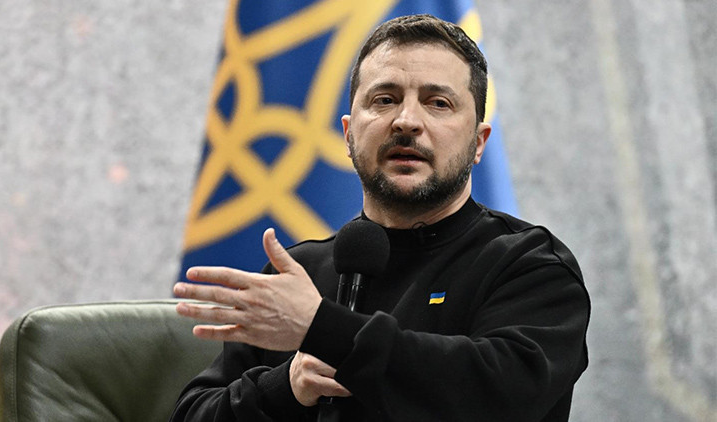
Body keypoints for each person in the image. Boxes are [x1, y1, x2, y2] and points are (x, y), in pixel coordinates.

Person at [170, 14, 590, 422]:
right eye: (384, 100)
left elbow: (498, 396)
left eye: (438, 103)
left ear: (478, 142)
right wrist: (286, 387)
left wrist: (324, 330)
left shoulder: (529, 265)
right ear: (349, 134)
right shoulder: (298, 275)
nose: (406, 122)